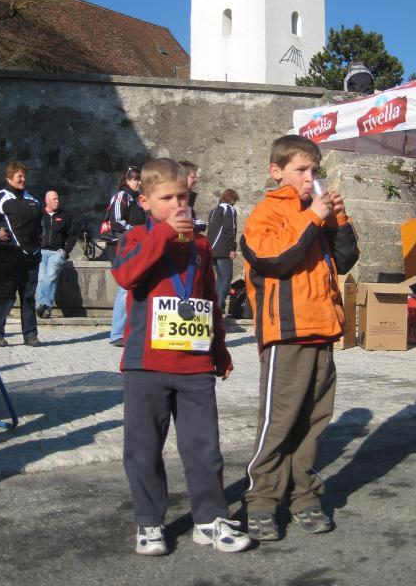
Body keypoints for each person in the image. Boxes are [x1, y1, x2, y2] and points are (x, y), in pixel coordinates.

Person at [111, 158, 251, 556]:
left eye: (183, 197)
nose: (177, 205)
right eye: (167, 198)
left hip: (193, 364)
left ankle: (209, 518)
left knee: (204, 447)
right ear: (145, 201)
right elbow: (126, 275)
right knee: (143, 448)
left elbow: (209, 299)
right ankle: (149, 522)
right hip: (145, 364)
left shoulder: (202, 246)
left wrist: (219, 349)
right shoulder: (137, 237)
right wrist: (163, 236)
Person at [240, 135, 358, 541]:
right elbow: (274, 257)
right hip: (286, 332)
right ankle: (260, 502)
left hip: (323, 329)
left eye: (314, 171)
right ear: (277, 172)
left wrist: (337, 220)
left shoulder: (316, 211)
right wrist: (312, 218)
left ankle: (304, 495)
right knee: (279, 423)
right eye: (301, 170)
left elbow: (345, 259)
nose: (310, 179)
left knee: (313, 422)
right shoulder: (266, 212)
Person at [0, 161, 42, 347]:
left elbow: (39, 223)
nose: (23, 179)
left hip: (32, 255)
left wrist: (40, 239)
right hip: (10, 255)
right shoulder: (1, 197)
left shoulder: (33, 199)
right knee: (6, 295)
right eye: (19, 176)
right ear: (9, 178)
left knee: (28, 296)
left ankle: (30, 334)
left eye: (24, 176)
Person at [109, 167, 145, 347]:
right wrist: (138, 232)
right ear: (127, 180)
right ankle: (117, 332)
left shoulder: (136, 199)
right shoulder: (122, 196)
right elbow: (117, 221)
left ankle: (129, 330)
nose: (139, 182)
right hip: (126, 245)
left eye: (140, 179)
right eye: (136, 179)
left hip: (136, 245)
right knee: (124, 288)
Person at [35, 191, 76, 320]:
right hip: (40, 251)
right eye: (54, 199)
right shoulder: (39, 215)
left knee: (51, 276)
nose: (57, 201)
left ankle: (42, 304)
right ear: (47, 201)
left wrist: (65, 250)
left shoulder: (65, 216)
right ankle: (45, 308)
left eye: (58, 199)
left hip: (56, 252)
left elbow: (72, 235)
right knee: (41, 278)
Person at [207, 189, 239, 314]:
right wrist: (232, 248)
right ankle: (218, 308)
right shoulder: (228, 209)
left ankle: (214, 307)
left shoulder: (214, 210)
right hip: (223, 250)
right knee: (226, 278)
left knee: (219, 278)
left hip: (212, 249)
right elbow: (229, 230)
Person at [179, 160, 206, 233]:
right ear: (183, 177)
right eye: (193, 177)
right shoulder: (174, 199)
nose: (196, 180)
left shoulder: (189, 197)